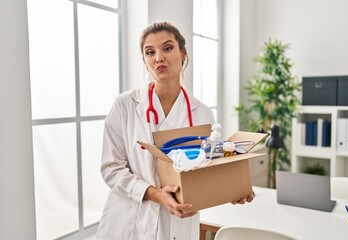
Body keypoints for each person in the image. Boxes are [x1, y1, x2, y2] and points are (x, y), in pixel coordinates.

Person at [96, 21, 254, 240]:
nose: (158, 57)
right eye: (150, 52)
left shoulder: (202, 114)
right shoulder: (125, 105)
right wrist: (155, 194)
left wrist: (232, 189)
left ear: (183, 53)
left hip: (178, 224)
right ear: (145, 61)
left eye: (167, 48)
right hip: (129, 222)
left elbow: (203, 171)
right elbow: (111, 168)